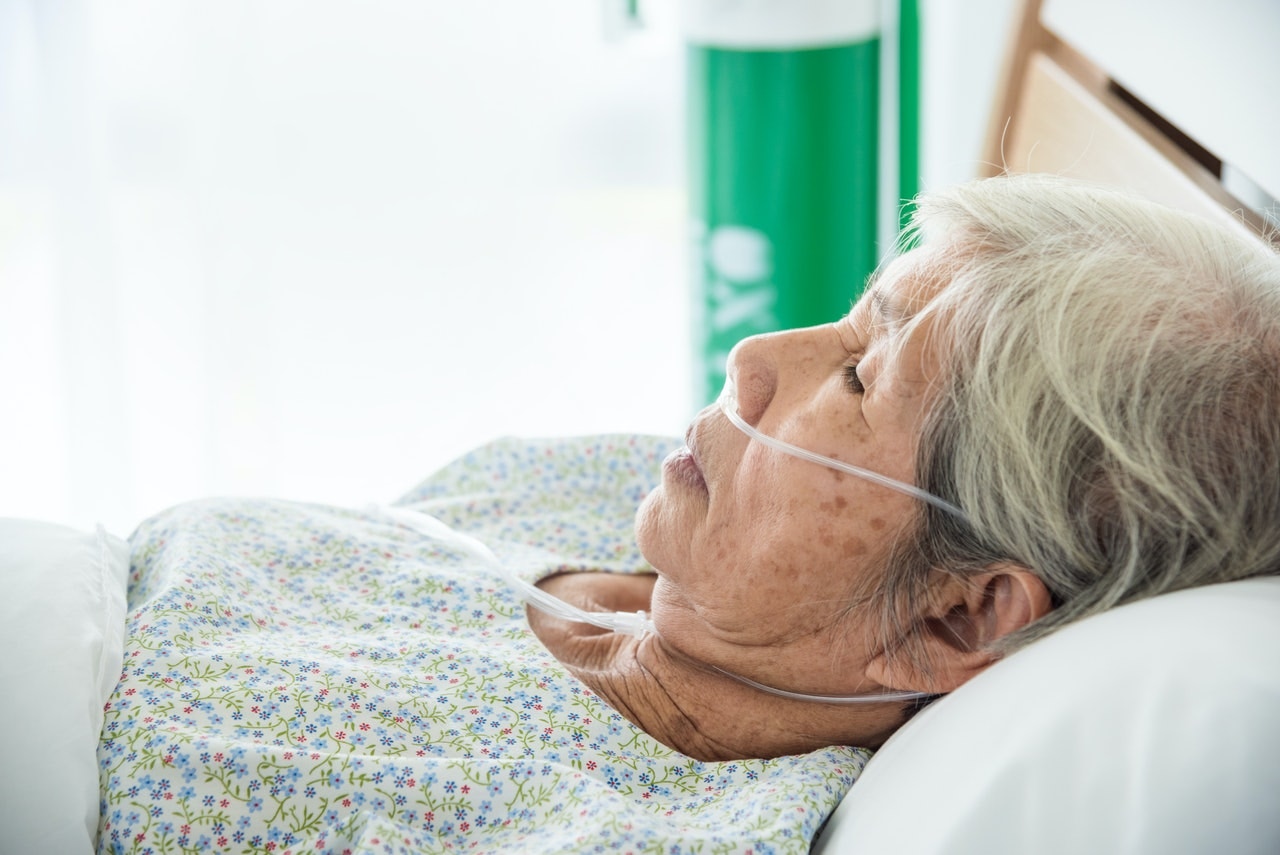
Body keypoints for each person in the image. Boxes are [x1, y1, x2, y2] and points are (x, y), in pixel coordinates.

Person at [98, 175, 1280, 852]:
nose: (753, 355)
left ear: (954, 618)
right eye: (851, 315)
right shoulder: (635, 498)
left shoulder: (611, 832)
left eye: (860, 376)